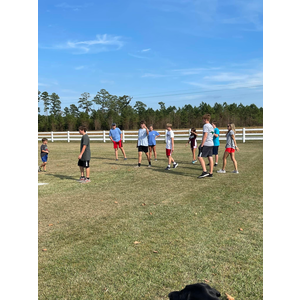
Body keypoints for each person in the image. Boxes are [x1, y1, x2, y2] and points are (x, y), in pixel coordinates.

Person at [197, 114, 214, 178]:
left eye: (203, 119)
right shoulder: (211, 126)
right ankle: (211, 172)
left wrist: (202, 144)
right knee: (210, 157)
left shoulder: (205, 126)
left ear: (206, 119)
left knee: (199, 157)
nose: (202, 120)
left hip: (206, 143)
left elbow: (205, 135)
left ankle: (204, 171)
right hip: (211, 143)